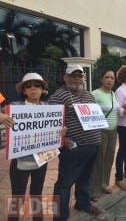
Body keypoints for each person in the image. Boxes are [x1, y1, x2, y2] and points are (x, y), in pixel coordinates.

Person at [7, 73, 65, 221]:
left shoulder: (49, 108)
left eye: (37, 86)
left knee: (37, 192)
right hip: (20, 161)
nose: (33, 88)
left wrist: (61, 130)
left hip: (41, 159)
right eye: (29, 86)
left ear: (42, 90)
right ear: (24, 90)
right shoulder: (14, 107)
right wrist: (1, 117)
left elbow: (56, 127)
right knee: (17, 196)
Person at [48, 65, 103, 221]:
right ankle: (59, 217)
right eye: (73, 76)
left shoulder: (89, 95)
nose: (77, 79)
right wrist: (63, 139)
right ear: (66, 78)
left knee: (85, 178)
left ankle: (82, 203)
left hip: (92, 146)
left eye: (80, 76)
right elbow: (51, 122)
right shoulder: (58, 96)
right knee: (64, 184)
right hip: (73, 148)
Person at [89, 70, 120, 201]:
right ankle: (93, 191)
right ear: (101, 79)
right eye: (106, 77)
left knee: (108, 159)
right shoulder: (95, 94)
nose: (109, 80)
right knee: (98, 162)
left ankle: (104, 184)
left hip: (113, 131)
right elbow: (89, 112)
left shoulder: (113, 94)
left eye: (112, 78)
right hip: (100, 131)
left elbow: (116, 110)